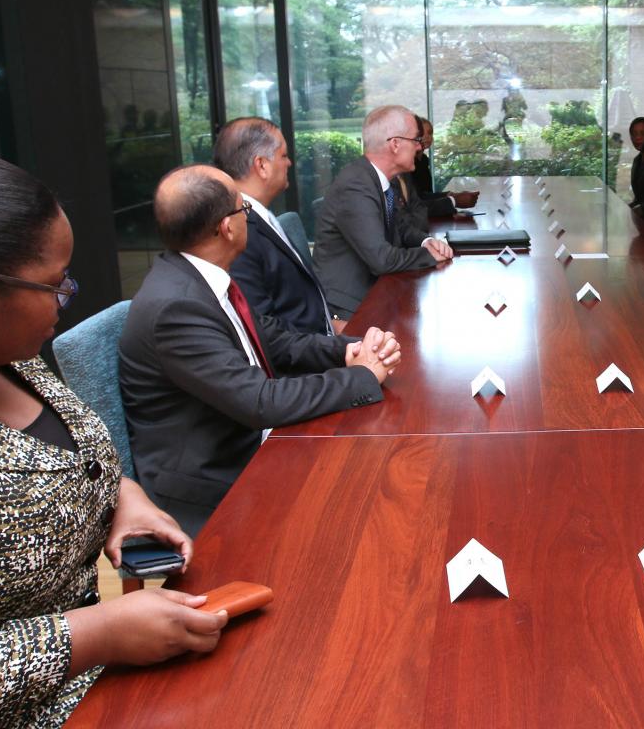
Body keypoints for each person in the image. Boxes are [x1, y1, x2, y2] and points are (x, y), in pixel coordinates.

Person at [0, 151, 226, 727]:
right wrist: (90, 636)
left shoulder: (7, 361)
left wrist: (124, 502)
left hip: (110, 680)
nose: (66, 299)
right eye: (54, 284)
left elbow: (78, 459)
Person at [119, 165, 402, 537]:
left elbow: (277, 339)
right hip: (213, 477)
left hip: (247, 440)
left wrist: (350, 350)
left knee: (370, 471)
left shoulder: (202, 275)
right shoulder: (177, 307)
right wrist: (361, 377)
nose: (248, 220)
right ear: (227, 227)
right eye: (244, 211)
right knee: (361, 504)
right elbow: (259, 402)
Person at [312, 105, 454, 317]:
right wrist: (428, 255)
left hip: (377, 289)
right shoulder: (356, 185)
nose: (419, 147)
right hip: (348, 307)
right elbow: (382, 259)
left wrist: (426, 242)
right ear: (395, 144)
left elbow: (401, 227)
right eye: (416, 140)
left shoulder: (381, 179)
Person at [213, 117, 341, 335]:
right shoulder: (237, 231)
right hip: (305, 361)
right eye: (283, 155)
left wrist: (335, 328)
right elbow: (266, 332)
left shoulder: (261, 216)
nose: (289, 163)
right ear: (261, 165)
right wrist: (338, 349)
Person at [410, 115, 479, 220]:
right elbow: (416, 202)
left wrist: (449, 195)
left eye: (430, 133)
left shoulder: (423, 160)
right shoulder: (407, 165)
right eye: (422, 134)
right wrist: (453, 200)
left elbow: (423, 195)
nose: (428, 137)